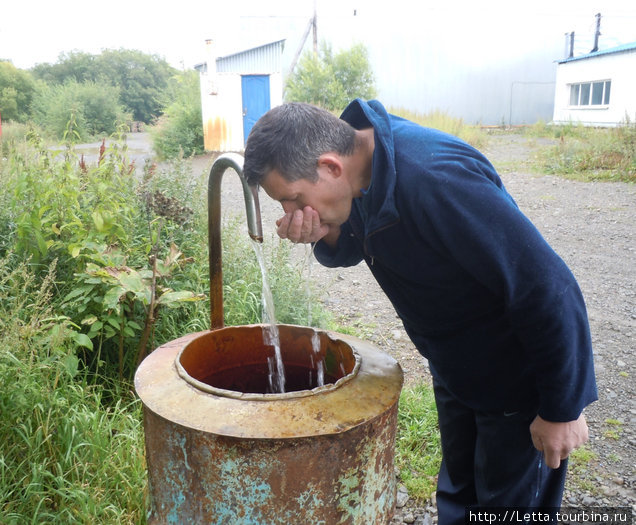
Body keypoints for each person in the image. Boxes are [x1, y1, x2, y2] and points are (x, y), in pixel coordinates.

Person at [243, 99, 597, 523]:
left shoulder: (435, 179)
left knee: (509, 505)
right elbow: (361, 240)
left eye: (292, 198)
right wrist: (328, 233)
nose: (290, 212)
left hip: (515, 380)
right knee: (459, 493)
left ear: (330, 167)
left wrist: (561, 409)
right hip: (455, 365)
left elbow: (546, 287)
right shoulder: (361, 171)